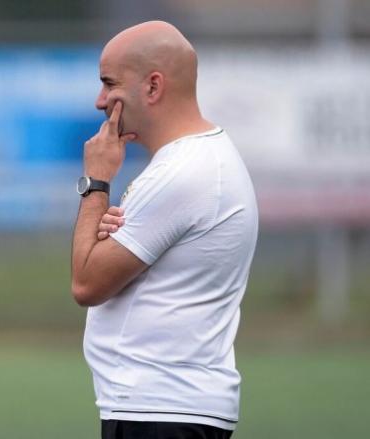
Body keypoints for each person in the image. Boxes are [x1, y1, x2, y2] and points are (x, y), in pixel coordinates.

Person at [70, 21, 258, 439]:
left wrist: (96, 184)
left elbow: (86, 282)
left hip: (162, 412)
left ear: (153, 87)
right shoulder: (198, 160)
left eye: (109, 83)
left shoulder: (183, 172)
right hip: (166, 408)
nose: (100, 101)